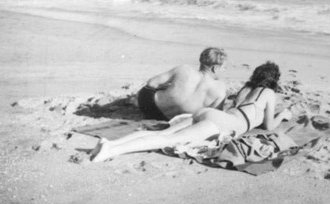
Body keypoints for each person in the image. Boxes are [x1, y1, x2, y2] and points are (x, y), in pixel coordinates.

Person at [91, 61, 292, 162]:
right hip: (224, 123)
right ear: (274, 80)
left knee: (161, 134)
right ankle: (112, 150)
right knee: (169, 140)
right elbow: (269, 125)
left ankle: (111, 143)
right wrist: (283, 115)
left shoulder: (245, 89)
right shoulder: (268, 93)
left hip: (209, 114)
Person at [136, 47, 228, 120]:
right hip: (172, 119)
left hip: (152, 107)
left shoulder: (184, 69)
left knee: (148, 90)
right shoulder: (220, 89)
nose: (224, 70)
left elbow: (151, 83)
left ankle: (134, 101)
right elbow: (214, 115)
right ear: (215, 68)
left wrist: (168, 87)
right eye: (224, 68)